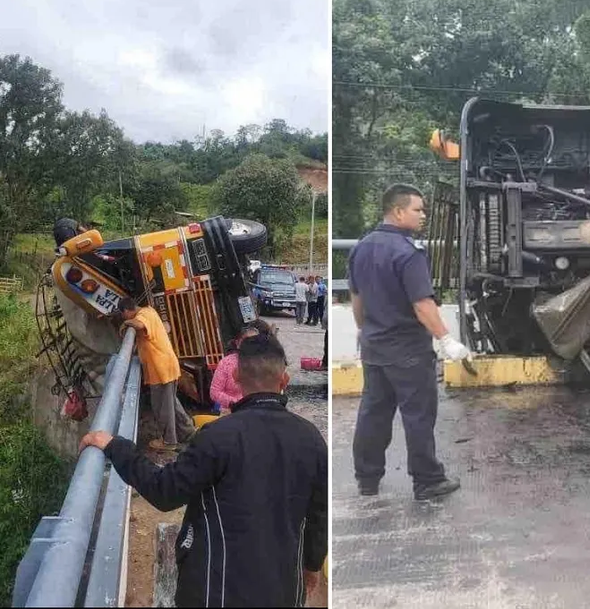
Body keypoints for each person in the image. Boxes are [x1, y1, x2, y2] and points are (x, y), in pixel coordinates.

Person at [80, 332, 327, 607]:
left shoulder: (217, 437)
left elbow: (166, 491)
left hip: (214, 591)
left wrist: (116, 446)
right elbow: (319, 516)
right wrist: (312, 566)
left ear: (236, 378)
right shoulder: (312, 440)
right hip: (281, 590)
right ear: (284, 381)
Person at [348, 183, 472, 501]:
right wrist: (445, 339)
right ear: (398, 211)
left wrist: (365, 332)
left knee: (373, 413)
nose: (423, 215)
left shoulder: (360, 248)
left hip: (374, 348)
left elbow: (356, 299)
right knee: (418, 415)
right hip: (408, 351)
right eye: (418, 209)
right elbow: (422, 305)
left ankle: (367, 478)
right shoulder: (409, 252)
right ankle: (427, 480)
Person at [117, 297, 195, 451]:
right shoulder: (149, 311)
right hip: (166, 366)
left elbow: (139, 324)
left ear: (126, 311)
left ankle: (169, 441)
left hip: (160, 369)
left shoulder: (142, 316)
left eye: (123, 315)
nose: (124, 317)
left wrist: (126, 323)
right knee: (171, 402)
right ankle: (188, 431)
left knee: (161, 407)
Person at [209, 319, 274, 413]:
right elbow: (214, 392)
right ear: (238, 343)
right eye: (245, 341)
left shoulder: (263, 364)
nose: (249, 345)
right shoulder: (226, 363)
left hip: (255, 411)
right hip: (229, 410)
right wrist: (238, 403)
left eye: (253, 342)